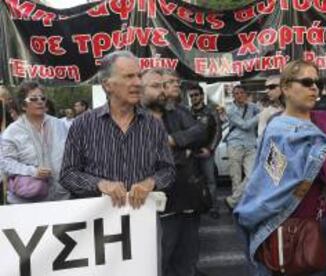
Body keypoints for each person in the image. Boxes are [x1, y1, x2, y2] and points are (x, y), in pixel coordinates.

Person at [235, 60, 326, 276]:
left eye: (317, 82)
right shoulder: (278, 130)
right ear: (285, 88)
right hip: (299, 230)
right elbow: (323, 165)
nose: (314, 87)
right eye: (306, 82)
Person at [59, 51, 175, 210]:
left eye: (139, 76)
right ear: (107, 84)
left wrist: (151, 183)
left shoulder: (153, 125)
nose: (138, 83)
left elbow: (168, 171)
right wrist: (100, 184)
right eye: (129, 77)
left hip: (143, 221)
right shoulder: (83, 124)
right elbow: (67, 175)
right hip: (98, 225)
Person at [141, 68, 207, 276]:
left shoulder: (177, 112)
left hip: (187, 199)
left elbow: (200, 131)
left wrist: (173, 140)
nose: (162, 91)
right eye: (155, 86)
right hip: (157, 207)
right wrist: (182, 152)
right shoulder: (133, 118)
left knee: (187, 258)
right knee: (160, 259)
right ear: (139, 90)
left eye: (163, 86)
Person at [1, 81, 70, 204]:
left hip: (61, 198)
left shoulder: (60, 125)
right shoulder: (11, 132)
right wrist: (33, 172)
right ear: (23, 105)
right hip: (27, 203)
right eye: (33, 99)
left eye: (42, 98)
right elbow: (6, 164)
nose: (39, 101)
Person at [188, 83, 222, 219]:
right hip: (191, 153)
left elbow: (218, 132)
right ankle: (197, 207)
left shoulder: (211, 111)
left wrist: (210, 148)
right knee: (192, 181)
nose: (194, 98)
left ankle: (214, 208)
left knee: (210, 181)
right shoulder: (187, 113)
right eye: (191, 96)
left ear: (202, 96)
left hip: (207, 152)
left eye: (196, 95)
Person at [225, 85, 260, 210]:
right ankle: (238, 207)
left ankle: (232, 200)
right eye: (236, 93)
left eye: (241, 93)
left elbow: (264, 111)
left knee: (252, 175)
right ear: (233, 96)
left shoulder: (252, 107)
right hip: (235, 145)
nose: (239, 95)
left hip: (250, 145)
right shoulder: (230, 110)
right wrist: (259, 116)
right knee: (236, 178)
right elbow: (244, 125)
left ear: (246, 94)